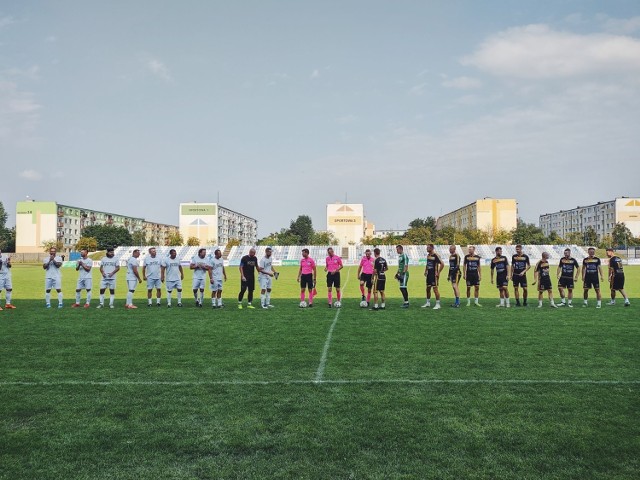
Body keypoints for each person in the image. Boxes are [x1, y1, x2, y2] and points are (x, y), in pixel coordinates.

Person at [422, 244, 444, 310]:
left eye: (428, 248)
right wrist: (426, 271)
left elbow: (442, 264)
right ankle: (428, 303)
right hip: (429, 275)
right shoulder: (428, 255)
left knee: (435, 289)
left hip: (434, 275)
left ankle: (438, 304)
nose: (426, 249)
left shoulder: (436, 255)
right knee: (428, 289)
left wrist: (438, 272)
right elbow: (427, 263)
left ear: (432, 248)